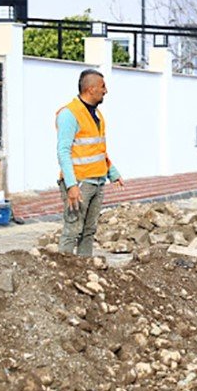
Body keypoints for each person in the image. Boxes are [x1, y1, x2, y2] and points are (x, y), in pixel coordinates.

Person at [56, 69, 124, 256]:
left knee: (89, 231)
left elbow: (98, 149)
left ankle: (83, 270)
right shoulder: (69, 114)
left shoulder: (98, 115)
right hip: (79, 183)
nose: (106, 91)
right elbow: (63, 152)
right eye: (103, 86)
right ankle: (63, 274)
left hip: (97, 181)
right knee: (72, 230)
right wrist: (71, 185)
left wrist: (112, 173)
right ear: (91, 89)